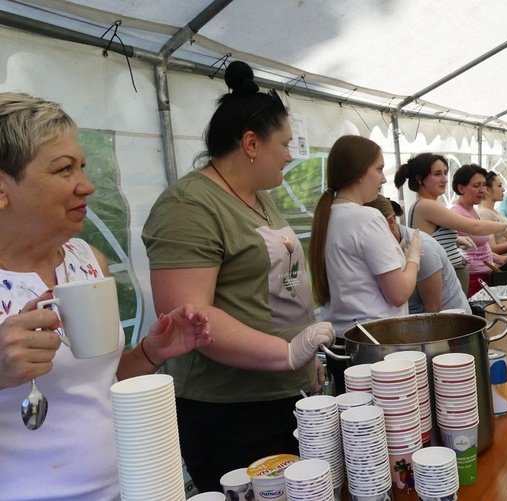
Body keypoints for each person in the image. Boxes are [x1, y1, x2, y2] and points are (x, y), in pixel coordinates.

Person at [0, 92, 215, 501]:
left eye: (81, 165)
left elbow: (101, 385)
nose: (87, 184)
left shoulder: (87, 260)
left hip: (132, 488)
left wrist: (151, 353)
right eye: (64, 169)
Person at [141, 61, 335, 493]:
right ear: (251, 143)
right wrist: (284, 354)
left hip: (284, 396)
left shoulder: (259, 199)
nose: (290, 154)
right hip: (230, 412)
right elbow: (188, 315)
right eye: (284, 144)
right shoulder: (189, 206)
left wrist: (304, 361)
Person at [308, 135, 422, 338]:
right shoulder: (366, 217)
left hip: (342, 337)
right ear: (358, 171)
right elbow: (399, 294)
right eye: (379, 169)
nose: (384, 178)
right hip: (375, 341)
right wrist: (413, 258)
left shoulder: (328, 215)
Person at [394, 153, 507, 296]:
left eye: (445, 173)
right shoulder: (426, 205)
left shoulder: (427, 205)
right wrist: (505, 227)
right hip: (443, 281)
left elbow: (436, 240)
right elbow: (474, 227)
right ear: (420, 179)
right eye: (437, 174)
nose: (444, 179)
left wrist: (456, 241)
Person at [365, 195, 471, 314]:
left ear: (390, 222)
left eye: (369, 229)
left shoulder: (423, 247)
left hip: (449, 321)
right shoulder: (379, 248)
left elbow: (433, 310)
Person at [450, 164, 507, 297]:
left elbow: (480, 247)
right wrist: (505, 227)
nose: (482, 190)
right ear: (461, 188)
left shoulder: (473, 210)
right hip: (473, 278)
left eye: (483, 185)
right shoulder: (456, 213)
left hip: (486, 274)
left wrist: (500, 259)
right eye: (476, 186)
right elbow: (476, 230)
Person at [477, 170, 507, 256]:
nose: (503, 189)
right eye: (499, 186)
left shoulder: (493, 211)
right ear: (487, 190)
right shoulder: (484, 213)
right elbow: (492, 248)